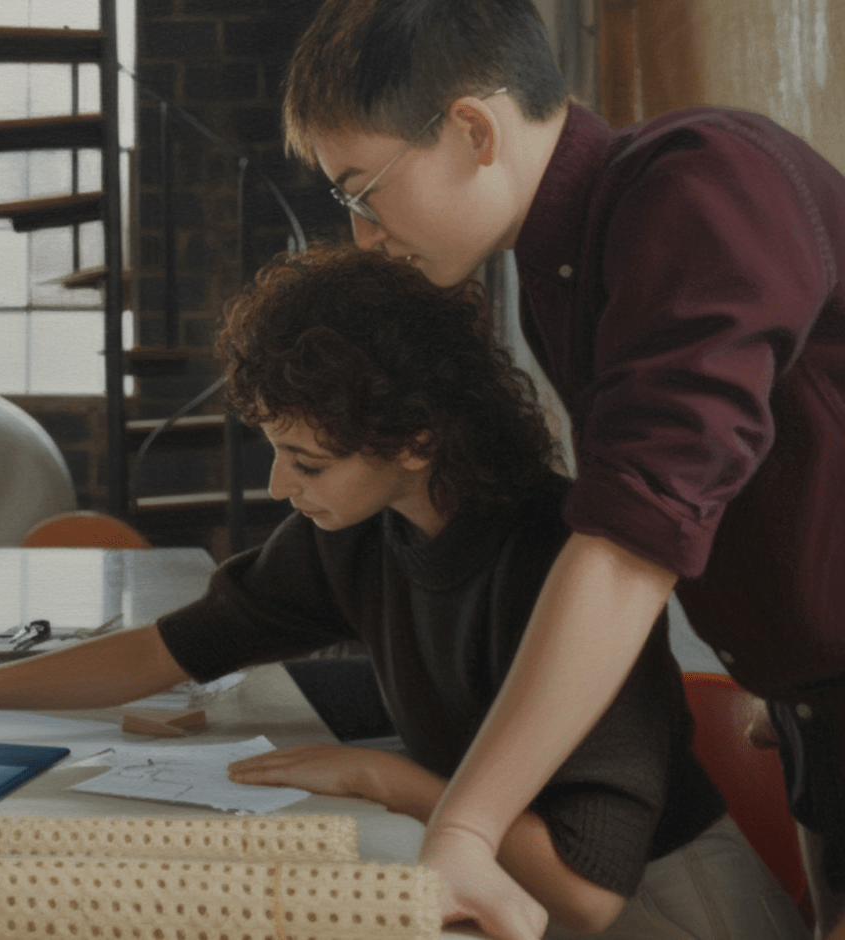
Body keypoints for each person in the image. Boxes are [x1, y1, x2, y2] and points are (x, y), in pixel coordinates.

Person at [0, 246, 806, 940]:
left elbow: (589, 895)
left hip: (670, 904)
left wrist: (389, 780)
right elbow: (176, 643)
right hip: (499, 879)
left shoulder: (553, 559)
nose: (275, 486)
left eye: (304, 460)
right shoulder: (360, 533)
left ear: (414, 440)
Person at [278, 2, 845, 939]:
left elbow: (633, 536)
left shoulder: (701, 187)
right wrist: (781, 663)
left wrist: (466, 826)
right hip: (813, 703)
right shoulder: (564, 262)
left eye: (363, 191)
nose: (366, 235)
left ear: (472, 130)